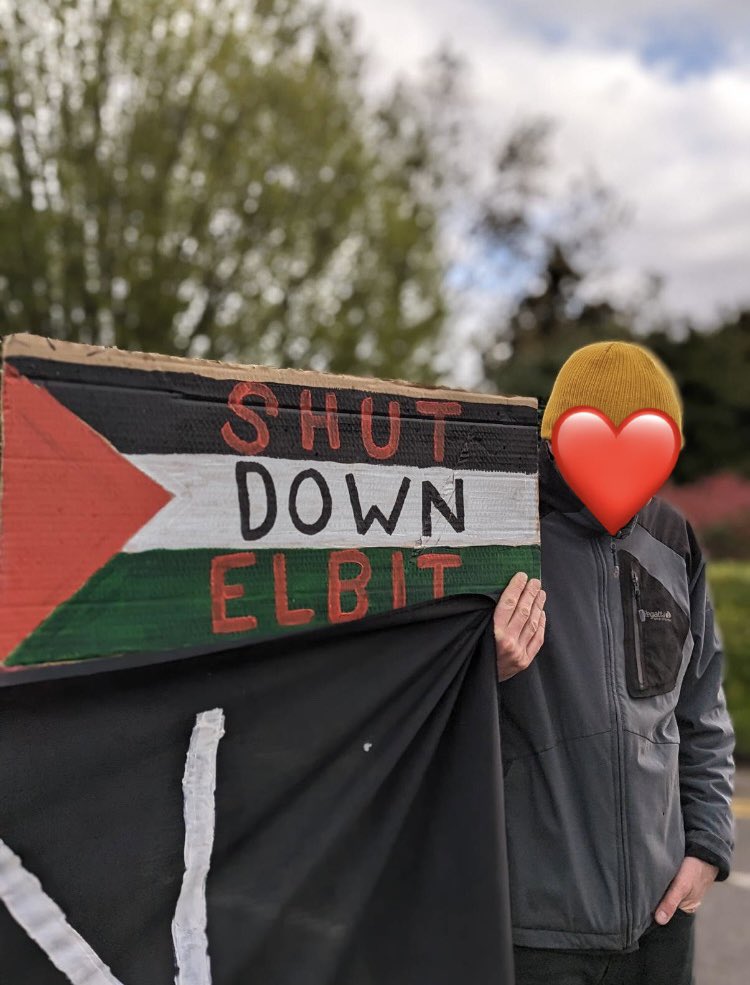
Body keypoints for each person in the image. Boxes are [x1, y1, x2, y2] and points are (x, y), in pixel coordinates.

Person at [492, 341, 735, 985]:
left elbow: (700, 706)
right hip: (534, 932)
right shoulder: (497, 534)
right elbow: (421, 706)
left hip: (662, 921)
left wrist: (706, 847)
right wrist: (479, 670)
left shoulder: (673, 539)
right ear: (554, 440)